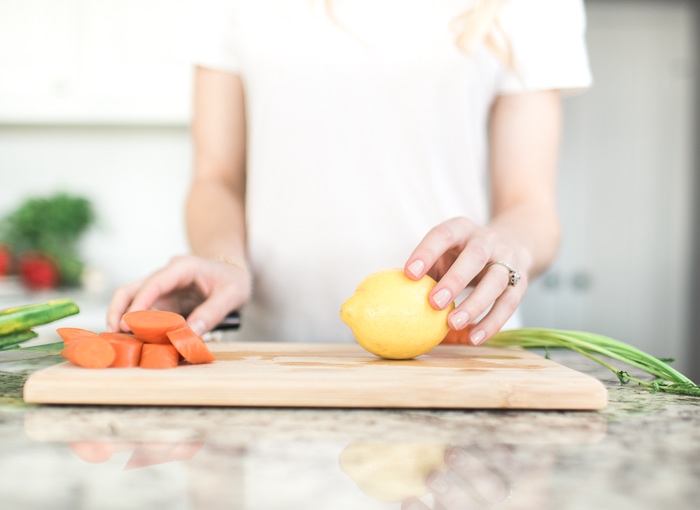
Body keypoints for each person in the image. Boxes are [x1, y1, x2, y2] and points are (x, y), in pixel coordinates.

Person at [107, 0, 591, 346]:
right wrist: (223, 263)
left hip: (455, 349)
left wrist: (511, 248)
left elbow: (530, 204)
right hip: (278, 358)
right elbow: (216, 178)